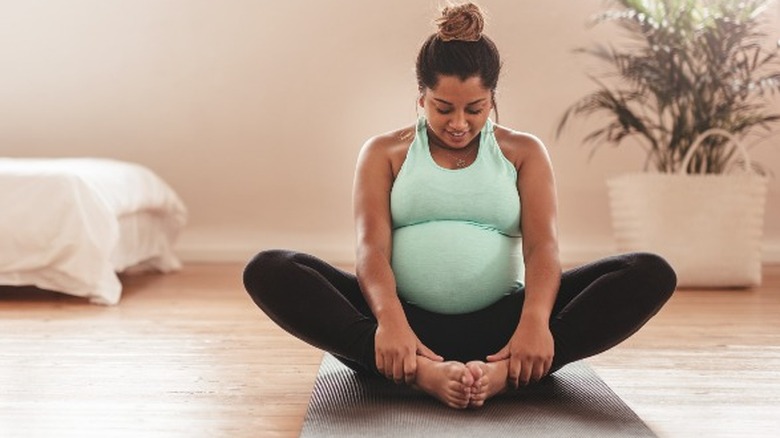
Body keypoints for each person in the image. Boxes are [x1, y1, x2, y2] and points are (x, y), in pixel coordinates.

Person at [243, 2, 676, 410]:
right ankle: (419, 371)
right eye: (443, 108)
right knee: (270, 267)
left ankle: (507, 371)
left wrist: (535, 322)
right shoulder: (384, 152)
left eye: (475, 109)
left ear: (492, 99)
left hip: (503, 327)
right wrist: (391, 322)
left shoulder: (523, 152)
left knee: (649, 272)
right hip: (401, 327)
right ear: (421, 98)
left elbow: (542, 248)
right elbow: (370, 250)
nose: (458, 123)